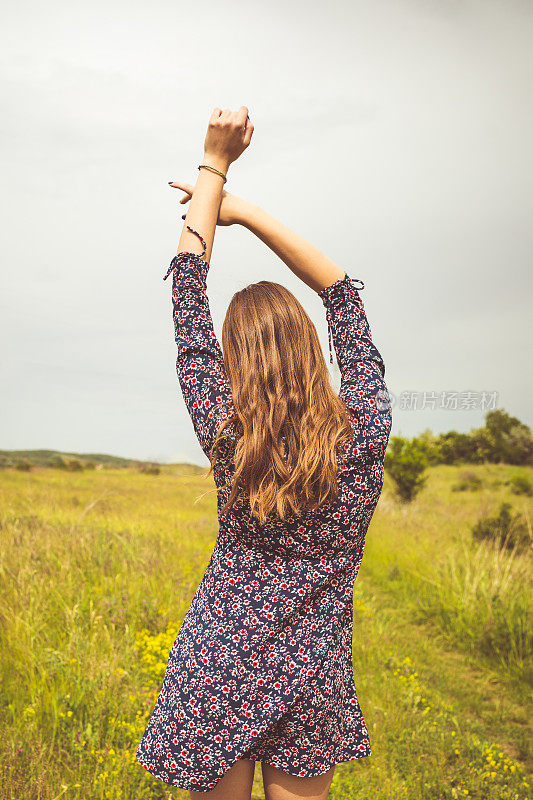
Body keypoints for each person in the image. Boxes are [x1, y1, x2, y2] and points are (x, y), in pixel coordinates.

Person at [136, 106, 392, 800]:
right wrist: (245, 214)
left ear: (233, 364)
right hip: (315, 673)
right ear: (313, 350)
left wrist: (213, 166)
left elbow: (186, 295)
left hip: (217, 659)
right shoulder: (363, 433)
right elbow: (342, 295)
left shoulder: (227, 436)